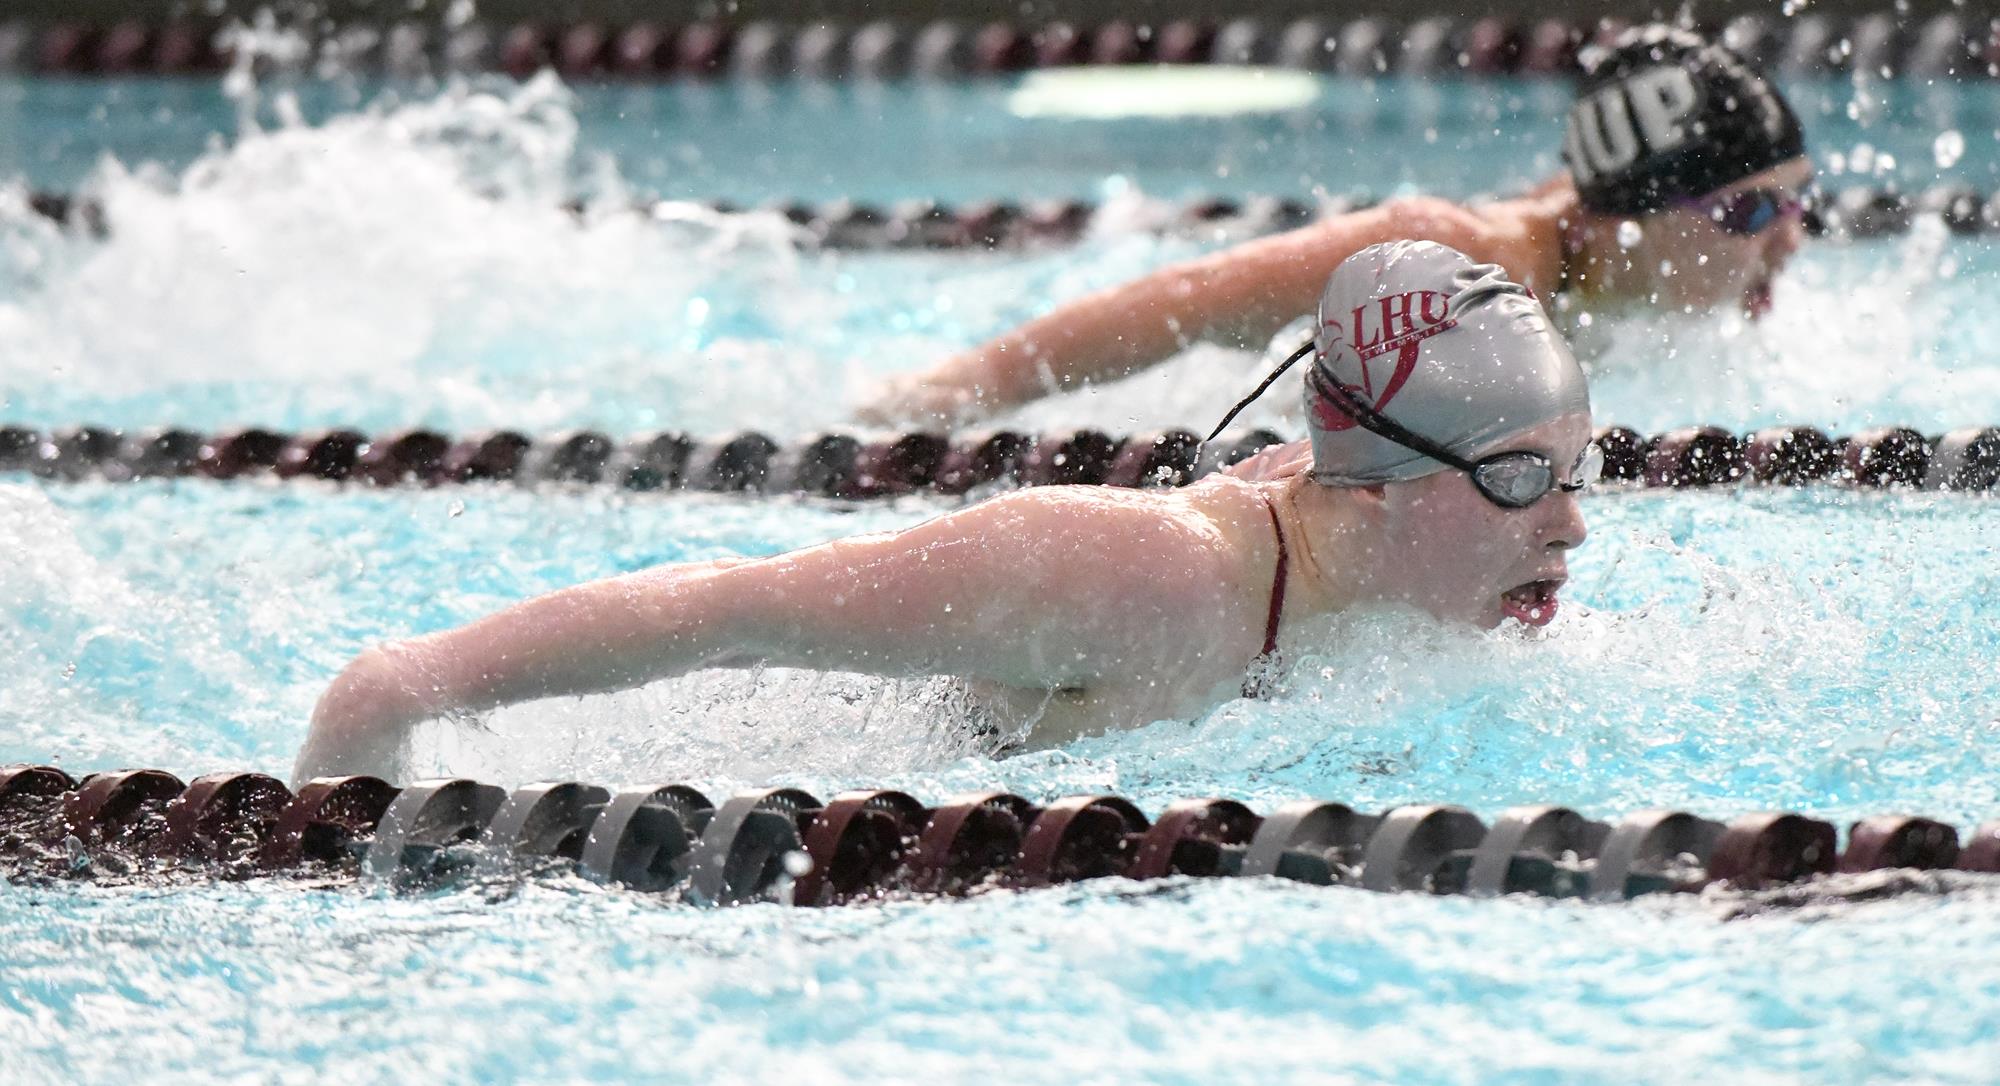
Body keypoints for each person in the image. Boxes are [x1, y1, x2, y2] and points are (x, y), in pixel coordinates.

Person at [292, 241, 1598, 784]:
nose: (1569, 529)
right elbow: (738, 608)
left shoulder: (1379, 576)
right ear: (1377, 485)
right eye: (1520, 480)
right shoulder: (1129, 575)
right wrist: (402, 689)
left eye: (1577, 472)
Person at [859, 24, 1813, 429]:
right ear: (1629, 218)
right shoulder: (1464, 261)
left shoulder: (1606, 259)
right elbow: (1191, 299)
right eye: (1751, 211)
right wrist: (967, 390)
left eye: (1801, 199)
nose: (1791, 241)